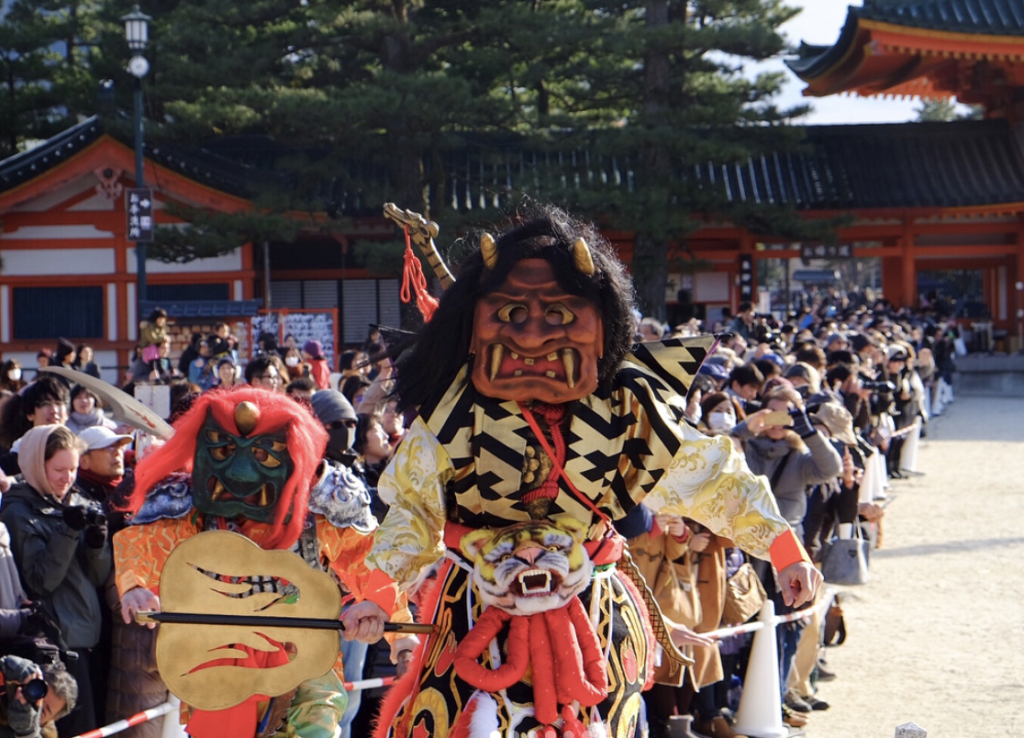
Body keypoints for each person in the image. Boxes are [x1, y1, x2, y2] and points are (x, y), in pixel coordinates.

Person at [343, 207, 820, 738]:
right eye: (510, 313)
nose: (531, 336)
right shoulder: (454, 415)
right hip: (477, 606)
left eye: (559, 314)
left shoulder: (629, 410)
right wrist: (380, 594)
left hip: (592, 607)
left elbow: (715, 477)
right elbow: (414, 512)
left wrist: (783, 549)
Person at [112, 388, 400, 738]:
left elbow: (369, 562)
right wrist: (134, 585)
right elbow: (141, 545)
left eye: (263, 455)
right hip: (217, 666)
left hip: (306, 666)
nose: (242, 472)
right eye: (225, 450)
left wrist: (388, 618)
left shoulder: (322, 502)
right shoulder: (188, 505)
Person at [0, 425, 111, 736]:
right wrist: (68, 532)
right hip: (56, 645)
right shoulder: (19, 510)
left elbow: (98, 577)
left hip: (90, 638)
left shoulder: (76, 500)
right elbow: (40, 581)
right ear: (37, 464)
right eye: (59, 469)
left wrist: (96, 545)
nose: (67, 478)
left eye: (74, 469)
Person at [0, 377, 71, 475]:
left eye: (59, 404)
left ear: (67, 413)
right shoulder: (18, 455)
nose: (54, 410)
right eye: (45, 404)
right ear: (30, 414)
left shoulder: (78, 451)